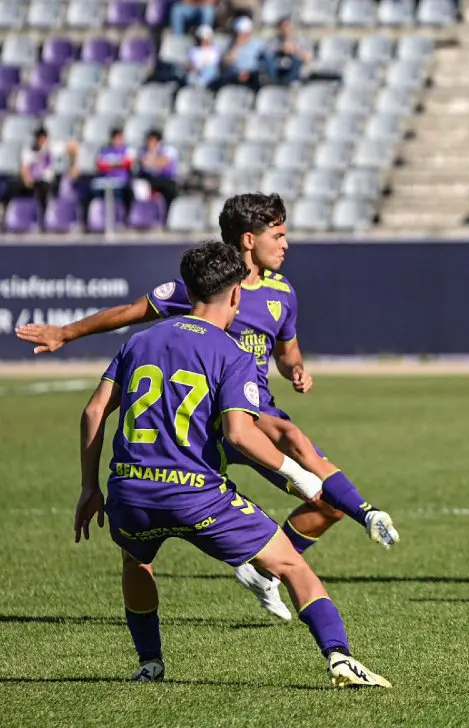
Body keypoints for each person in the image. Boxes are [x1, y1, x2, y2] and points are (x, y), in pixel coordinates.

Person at [17, 193, 399, 622]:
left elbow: (288, 352)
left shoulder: (282, 292)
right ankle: (366, 512)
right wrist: (65, 333)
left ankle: (268, 568)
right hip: (213, 421)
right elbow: (129, 312)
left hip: (255, 412)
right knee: (292, 441)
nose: (286, 244)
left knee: (326, 506)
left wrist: (297, 372)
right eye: (279, 235)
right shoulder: (202, 288)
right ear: (249, 240)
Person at [74, 241, 390, 688]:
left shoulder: (140, 340)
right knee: (292, 567)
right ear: (237, 295)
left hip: (130, 490)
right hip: (195, 493)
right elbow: (241, 434)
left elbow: (92, 413)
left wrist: (90, 488)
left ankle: (150, 663)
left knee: (136, 561)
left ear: (186, 289)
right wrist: (298, 474)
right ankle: (339, 657)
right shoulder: (231, 352)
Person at [136, 129, 180, 212]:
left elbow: (163, 162)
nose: (149, 143)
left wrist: (152, 160)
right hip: (149, 179)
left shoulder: (168, 150)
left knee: (170, 190)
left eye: (152, 140)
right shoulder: (143, 150)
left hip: (166, 179)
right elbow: (143, 162)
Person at [218, 16, 265, 90]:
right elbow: (225, 64)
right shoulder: (229, 44)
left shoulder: (257, 44)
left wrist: (247, 73)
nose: (240, 36)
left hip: (251, 73)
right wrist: (235, 48)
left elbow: (262, 63)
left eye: (243, 33)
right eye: (238, 33)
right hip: (235, 74)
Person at [263, 16, 311, 86]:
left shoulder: (301, 40)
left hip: (295, 70)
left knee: (295, 59)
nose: (286, 29)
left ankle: (290, 83)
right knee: (269, 58)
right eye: (283, 27)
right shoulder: (273, 41)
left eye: (288, 26)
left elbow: (308, 58)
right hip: (278, 69)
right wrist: (281, 49)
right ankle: (273, 82)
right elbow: (266, 53)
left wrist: (295, 50)